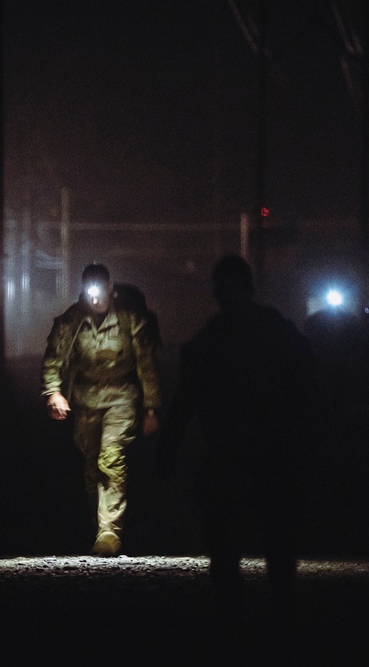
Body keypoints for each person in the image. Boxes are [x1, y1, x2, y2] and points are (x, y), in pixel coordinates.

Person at [157, 254, 316, 621]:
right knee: (277, 540)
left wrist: (168, 449)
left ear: (217, 292)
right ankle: (280, 611)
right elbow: (306, 385)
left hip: (227, 453)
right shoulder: (276, 330)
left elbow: (184, 401)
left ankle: (232, 615)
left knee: (225, 542)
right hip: (272, 452)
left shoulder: (209, 340)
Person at [42, 263, 161, 557]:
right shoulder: (73, 320)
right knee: (92, 464)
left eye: (100, 292)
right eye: (89, 293)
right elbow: (54, 358)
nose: (95, 300)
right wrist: (54, 392)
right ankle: (97, 525)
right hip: (85, 399)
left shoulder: (129, 319)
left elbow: (146, 364)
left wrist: (151, 408)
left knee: (111, 457)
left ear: (110, 289)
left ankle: (110, 531)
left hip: (121, 397)